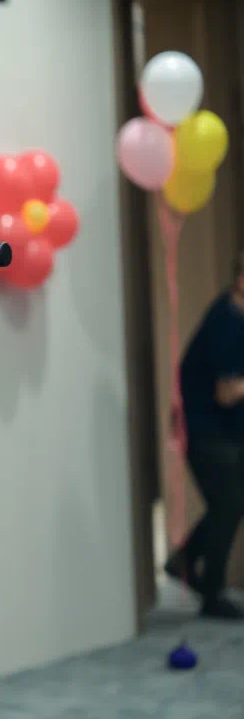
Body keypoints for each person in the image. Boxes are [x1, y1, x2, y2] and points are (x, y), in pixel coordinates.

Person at [166, 251, 244, 620]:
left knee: (230, 502)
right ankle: (212, 593)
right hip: (202, 428)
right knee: (230, 502)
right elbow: (227, 393)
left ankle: (184, 561)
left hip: (223, 429)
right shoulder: (225, 321)